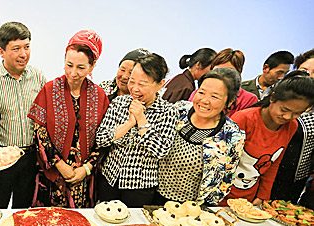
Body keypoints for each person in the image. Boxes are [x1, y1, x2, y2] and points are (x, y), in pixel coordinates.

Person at [28, 30, 109, 208]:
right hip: (53, 175)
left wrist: (86, 169)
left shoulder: (100, 96)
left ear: (92, 66)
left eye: (81, 68)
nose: (73, 73)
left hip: (83, 177)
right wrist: (59, 164)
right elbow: (39, 132)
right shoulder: (50, 90)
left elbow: (104, 138)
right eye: (69, 65)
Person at [95, 53, 180, 207]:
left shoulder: (168, 111)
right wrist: (128, 124)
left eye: (142, 84)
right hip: (109, 178)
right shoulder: (119, 102)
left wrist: (141, 120)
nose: (134, 88)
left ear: (160, 84)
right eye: (132, 82)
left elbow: (161, 150)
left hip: (140, 188)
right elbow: (100, 139)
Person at [223, 71, 314, 205]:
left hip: (249, 197)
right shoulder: (244, 119)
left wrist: (263, 195)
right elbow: (221, 161)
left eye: (297, 113)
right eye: (284, 110)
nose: (288, 117)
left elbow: (274, 163)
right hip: (222, 193)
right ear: (272, 98)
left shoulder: (292, 126)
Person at [157, 68, 245, 205]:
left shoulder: (232, 135)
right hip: (152, 195)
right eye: (202, 92)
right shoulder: (178, 110)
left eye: (214, 96)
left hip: (189, 208)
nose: (204, 100)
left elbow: (225, 181)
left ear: (229, 101)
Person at [0, 22, 46, 209]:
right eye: (16, 48)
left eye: (27, 47)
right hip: (1, 156)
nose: (23, 54)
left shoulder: (37, 76)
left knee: (24, 210)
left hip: (30, 156)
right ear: (1, 51)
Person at [272, 49, 314, 203]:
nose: (309, 75)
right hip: (267, 168)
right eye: (304, 70)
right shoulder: (280, 98)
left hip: (294, 178)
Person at [190, 48, 257, 117]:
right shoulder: (196, 93)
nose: (221, 75)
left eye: (229, 72)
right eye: (217, 70)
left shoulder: (249, 99)